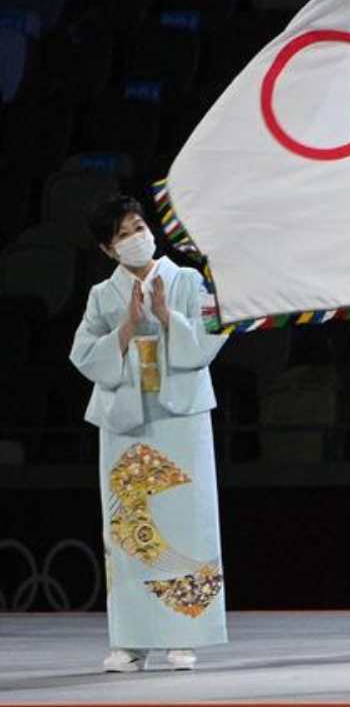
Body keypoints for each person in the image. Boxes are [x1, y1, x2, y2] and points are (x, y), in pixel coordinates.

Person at [69, 195, 228, 673]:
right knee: (128, 528)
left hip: (181, 414)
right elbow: (82, 354)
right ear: (108, 248)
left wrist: (166, 316)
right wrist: (127, 326)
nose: (135, 237)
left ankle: (185, 635)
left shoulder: (185, 280)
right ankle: (130, 641)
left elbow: (211, 334)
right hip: (126, 421)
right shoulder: (104, 295)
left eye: (138, 226)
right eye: (122, 234)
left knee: (187, 521)